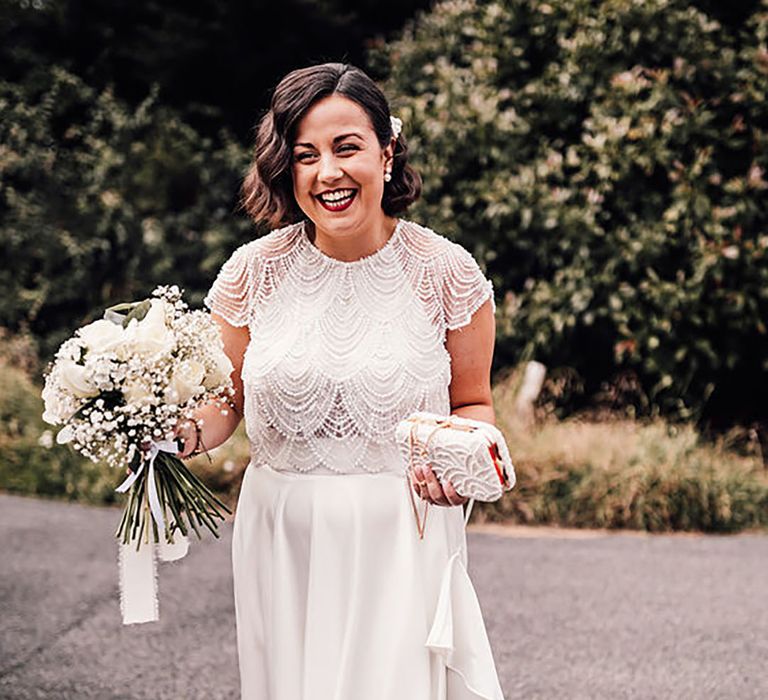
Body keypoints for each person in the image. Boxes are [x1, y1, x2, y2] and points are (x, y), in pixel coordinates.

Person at [174, 62, 505, 700]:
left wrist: (459, 464)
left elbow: (474, 403)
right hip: (280, 535)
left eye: (346, 147)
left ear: (387, 153)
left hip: (401, 537)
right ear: (286, 169)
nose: (328, 172)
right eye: (306, 155)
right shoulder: (252, 272)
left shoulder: (447, 273)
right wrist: (178, 432)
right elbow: (226, 403)